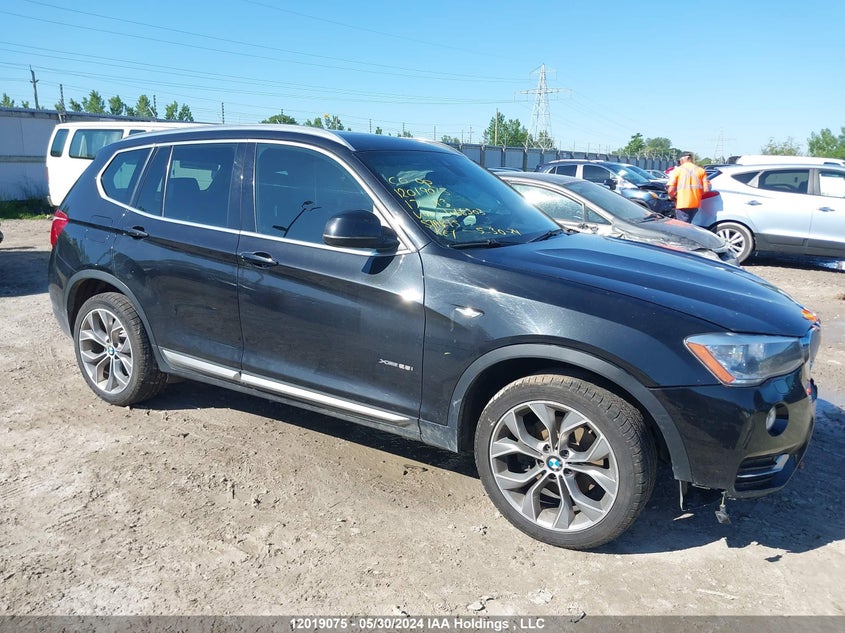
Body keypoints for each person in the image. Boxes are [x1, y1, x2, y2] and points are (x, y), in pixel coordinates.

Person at [666, 151, 710, 223]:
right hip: (695, 203)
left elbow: (670, 190)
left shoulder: (677, 170)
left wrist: (672, 196)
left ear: (682, 159)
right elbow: (706, 189)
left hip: (682, 203)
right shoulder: (701, 171)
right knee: (690, 224)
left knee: (683, 226)